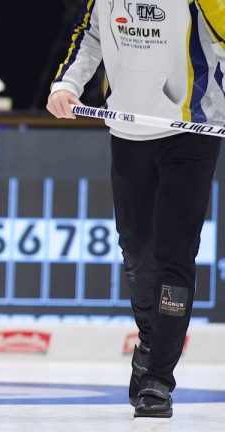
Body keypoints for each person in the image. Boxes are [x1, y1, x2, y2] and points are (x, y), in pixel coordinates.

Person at [46, 0, 223, 419]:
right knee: (138, 257)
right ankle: (150, 341)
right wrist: (66, 85)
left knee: (173, 257)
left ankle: (159, 380)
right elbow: (89, 33)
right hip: (127, 131)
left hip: (191, 131)